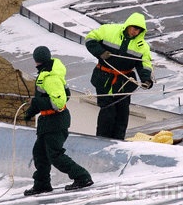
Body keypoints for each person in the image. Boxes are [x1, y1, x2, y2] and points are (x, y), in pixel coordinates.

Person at [23, 46, 93, 196]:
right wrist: (31, 111)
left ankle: (82, 177)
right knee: (40, 153)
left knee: (54, 154)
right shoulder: (50, 72)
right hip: (48, 121)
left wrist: (35, 103)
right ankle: (42, 184)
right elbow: (63, 95)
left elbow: (58, 103)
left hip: (55, 121)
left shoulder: (50, 77)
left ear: (36, 61)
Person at [85, 12, 153, 140]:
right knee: (108, 113)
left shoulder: (142, 47)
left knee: (122, 115)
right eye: (134, 28)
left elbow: (145, 64)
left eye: (138, 30)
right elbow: (90, 38)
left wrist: (146, 80)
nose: (135, 32)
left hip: (123, 83)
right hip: (104, 79)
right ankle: (102, 142)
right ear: (128, 25)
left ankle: (118, 143)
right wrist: (100, 52)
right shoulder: (109, 30)